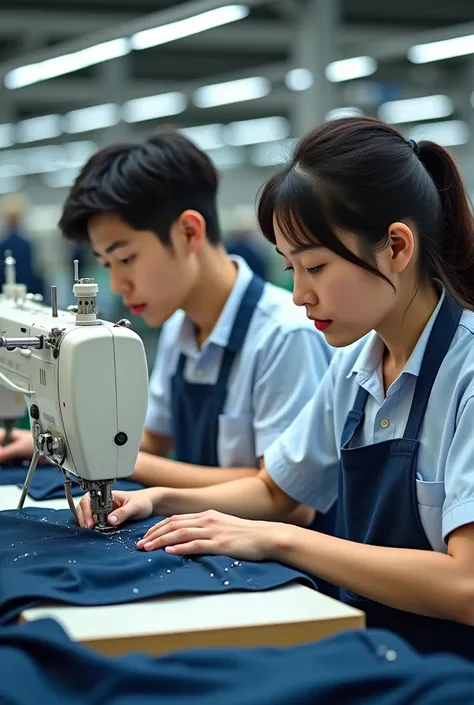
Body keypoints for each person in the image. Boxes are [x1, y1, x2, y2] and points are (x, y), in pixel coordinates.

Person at [77, 116, 474, 660]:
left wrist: (280, 539)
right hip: (373, 645)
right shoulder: (359, 361)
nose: (298, 295)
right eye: (290, 269)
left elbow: (466, 587)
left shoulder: (467, 374)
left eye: (314, 266)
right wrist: (159, 500)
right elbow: (276, 490)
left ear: (397, 247)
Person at [1, 129, 333, 528]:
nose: (119, 286)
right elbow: (152, 439)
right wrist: (64, 445)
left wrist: (122, 468)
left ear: (189, 232)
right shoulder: (180, 327)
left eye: (125, 258)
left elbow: (288, 498)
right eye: (107, 266)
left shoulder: (284, 336)